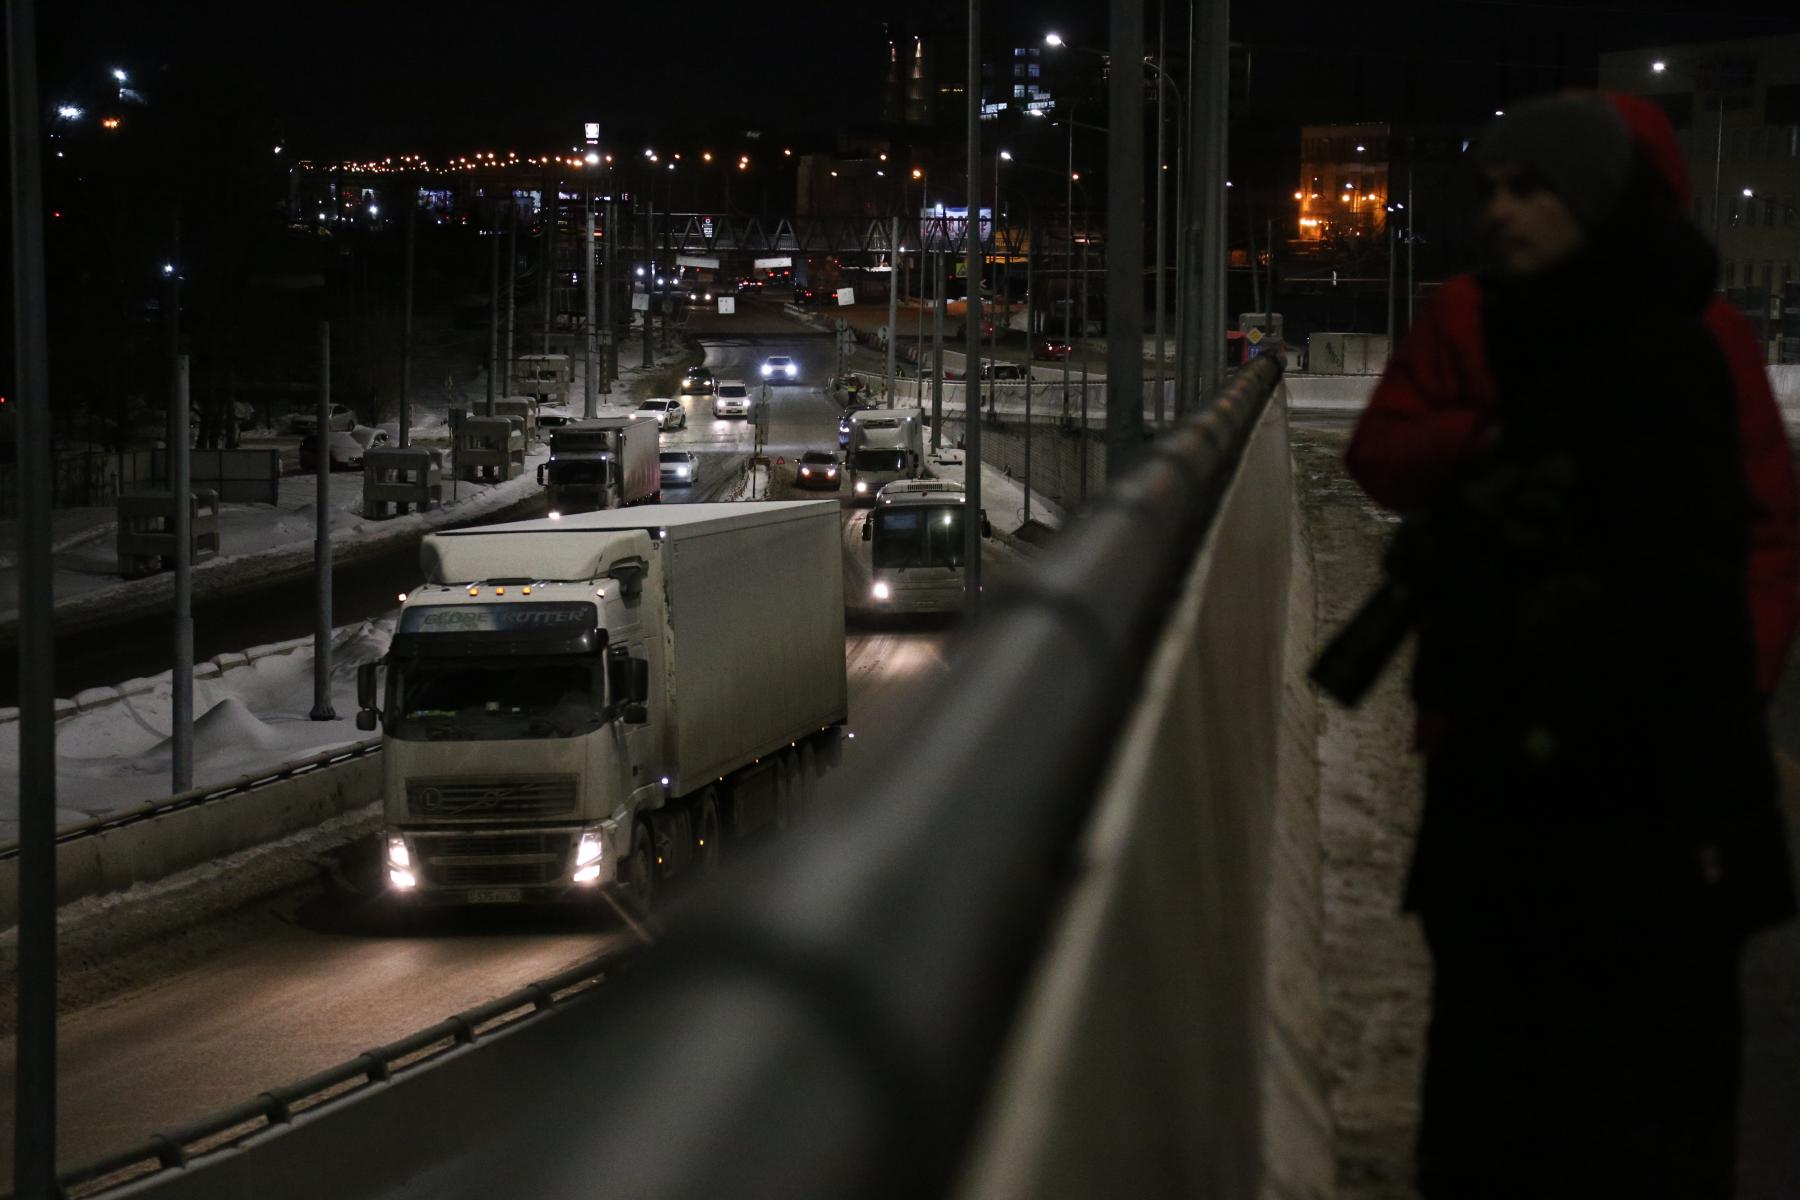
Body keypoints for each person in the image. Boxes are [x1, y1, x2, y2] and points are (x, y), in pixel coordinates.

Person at [1345, 92, 1799, 1198]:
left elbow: (1747, 539)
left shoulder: (1691, 344)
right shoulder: (1473, 316)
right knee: (1494, 1084)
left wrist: (1731, 690)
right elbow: (1384, 452)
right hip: (1500, 761)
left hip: (1654, 782)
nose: (1495, 209)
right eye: (1488, 186)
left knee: (1642, 1091)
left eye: (1526, 187)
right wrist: (1491, 450)